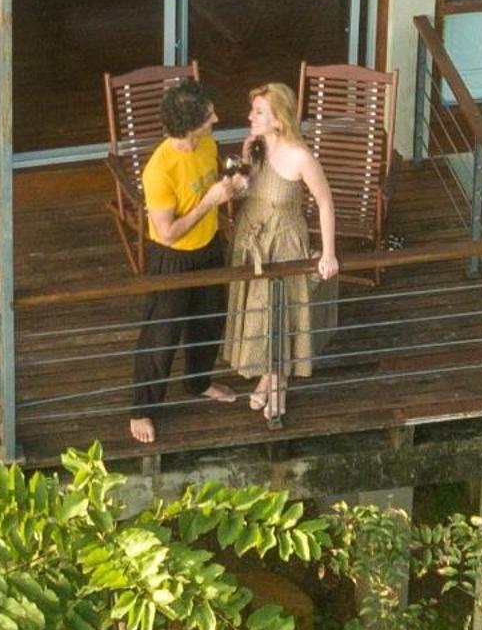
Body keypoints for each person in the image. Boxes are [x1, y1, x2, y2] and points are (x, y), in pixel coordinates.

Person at [129, 80, 245, 446]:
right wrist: (211, 202)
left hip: (209, 247)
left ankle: (198, 381)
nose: (217, 118)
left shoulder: (207, 143)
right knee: (161, 335)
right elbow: (167, 233)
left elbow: (213, 182)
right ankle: (142, 408)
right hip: (173, 259)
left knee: (209, 321)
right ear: (189, 123)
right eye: (208, 115)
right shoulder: (159, 170)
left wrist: (234, 183)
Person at [220, 83, 339, 423]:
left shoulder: (300, 156)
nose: (250, 116)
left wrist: (328, 253)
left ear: (278, 119)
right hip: (251, 236)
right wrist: (240, 171)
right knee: (257, 308)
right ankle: (270, 376)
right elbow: (246, 193)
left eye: (259, 112)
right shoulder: (254, 147)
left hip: (283, 241)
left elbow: (325, 201)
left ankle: (278, 384)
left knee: (280, 311)